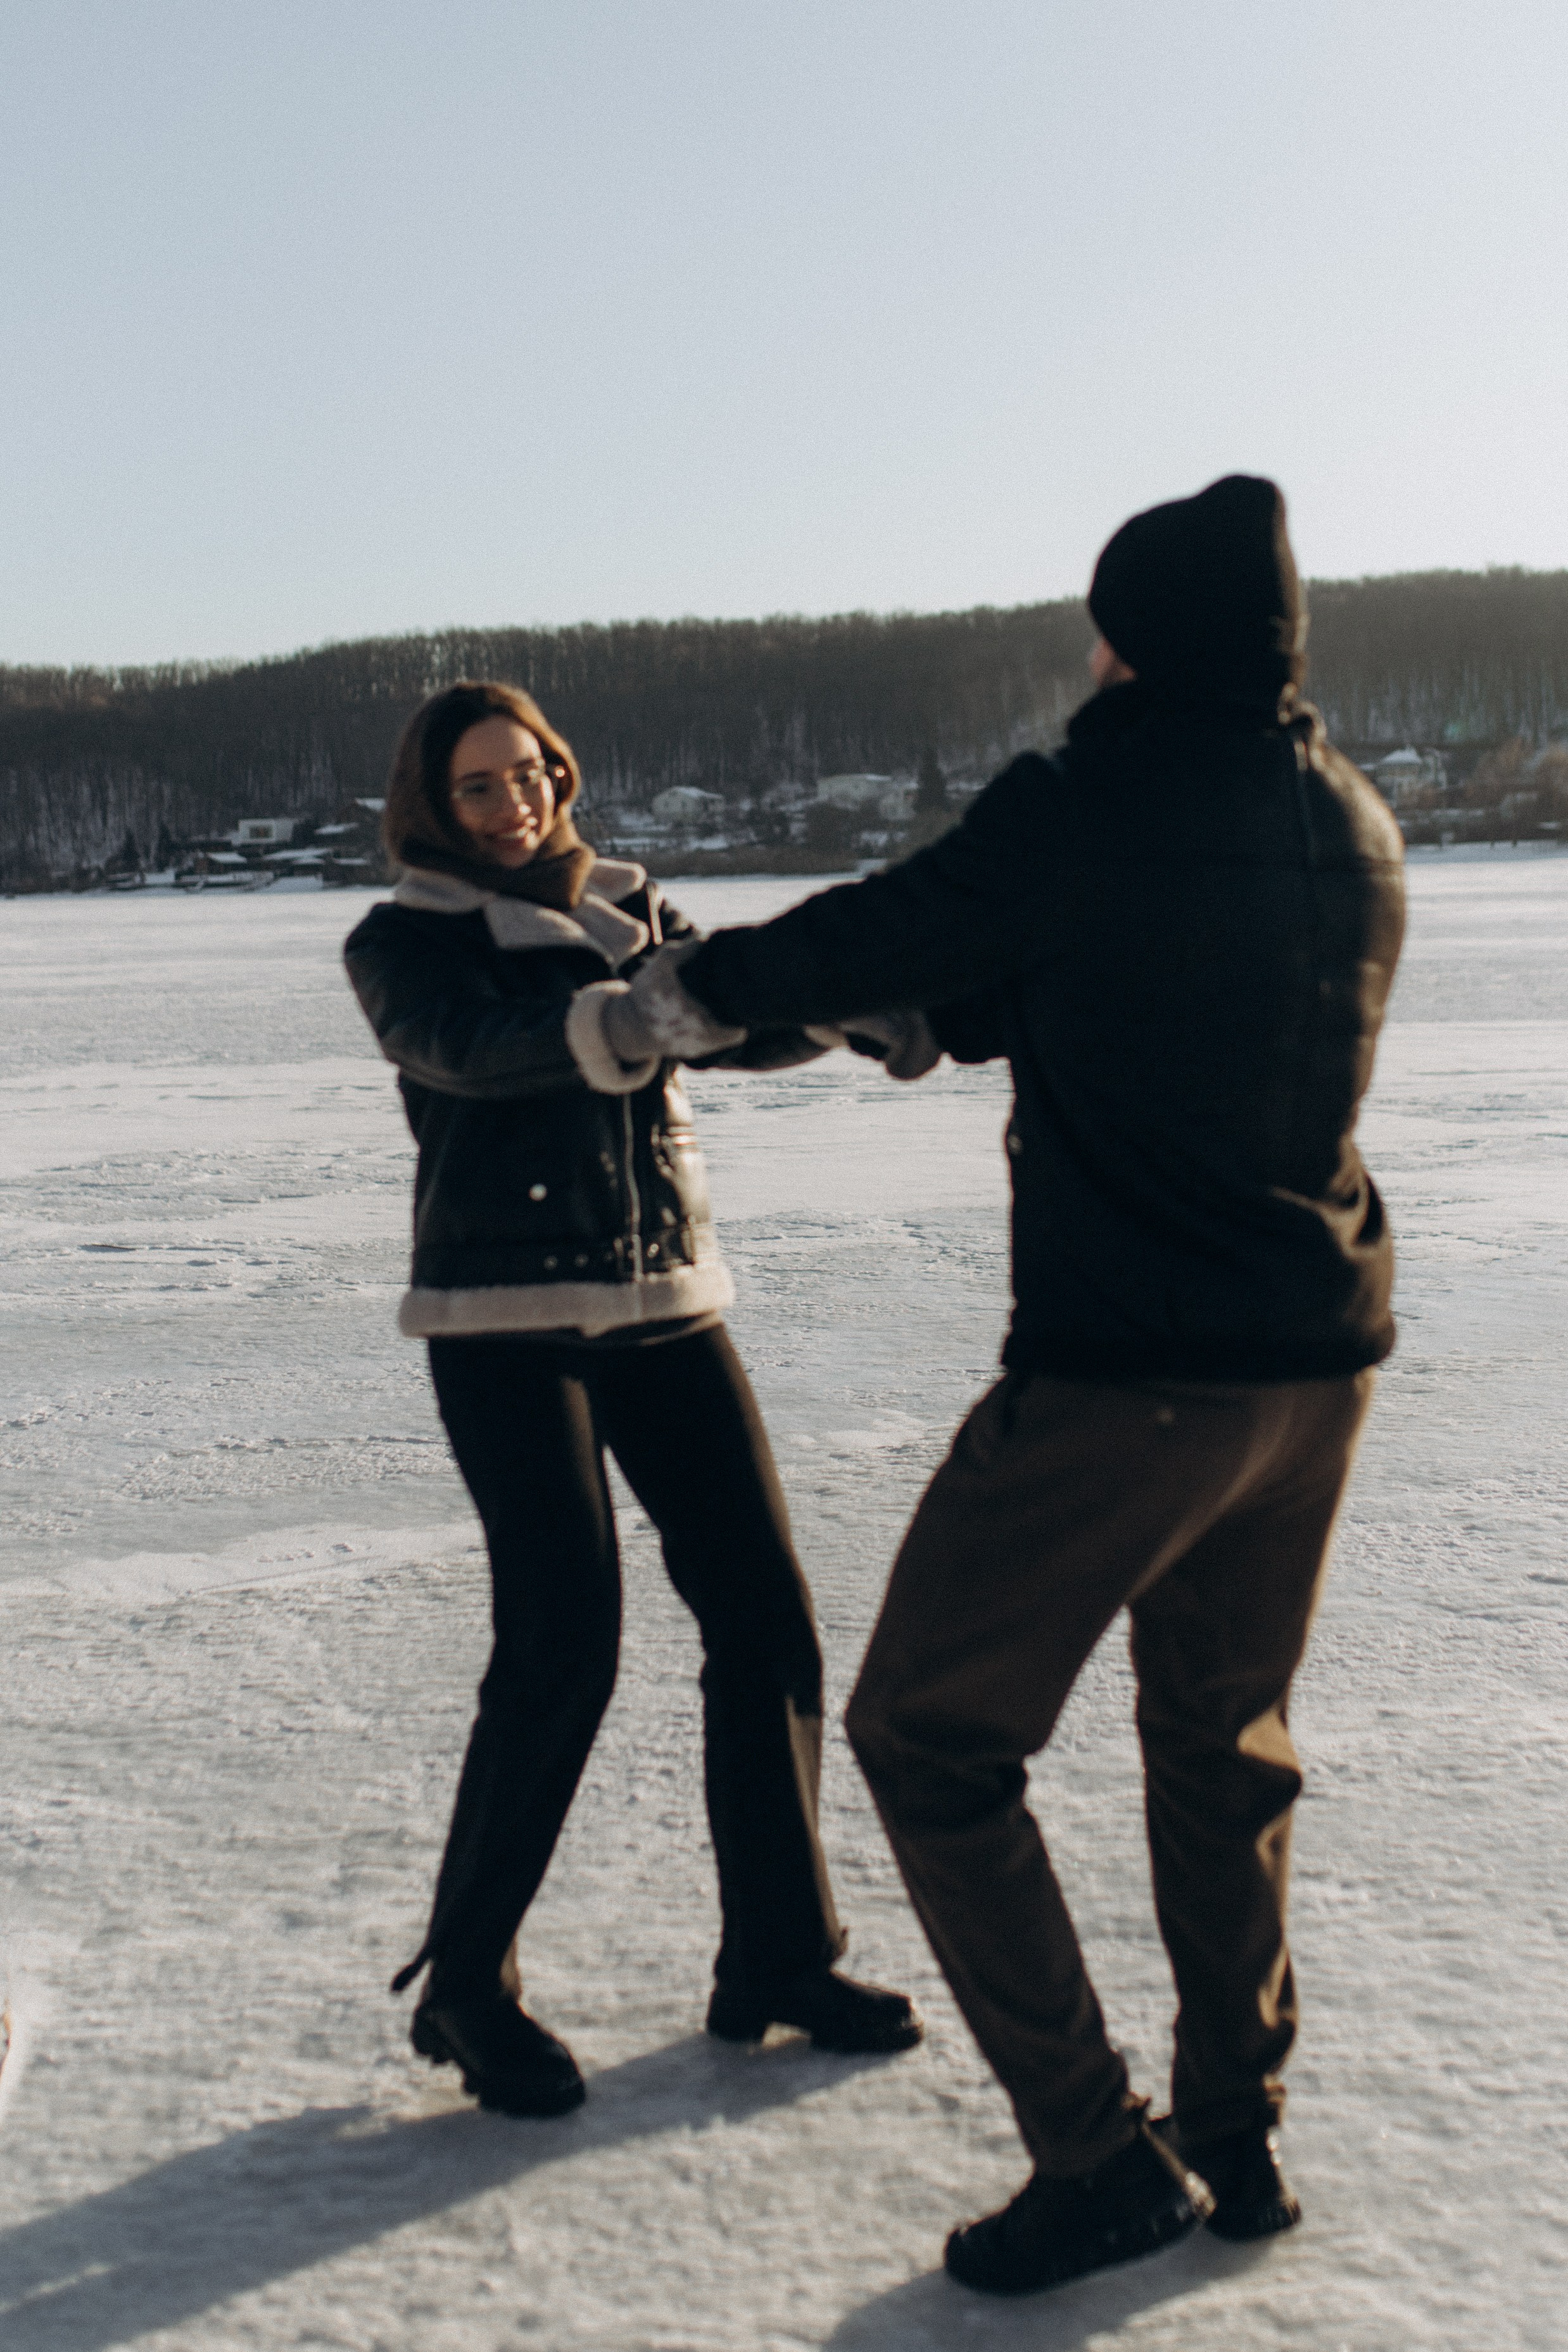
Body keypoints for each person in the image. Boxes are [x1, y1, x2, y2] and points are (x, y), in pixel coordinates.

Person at [606, 479, 1407, 2291]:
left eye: (1105, 629)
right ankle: (1234, 2132)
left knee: (927, 1733)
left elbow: (889, 928)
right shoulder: (1346, 812)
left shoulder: (1093, 797)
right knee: (1221, 1746)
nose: (1093, 659)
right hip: (1312, 1370)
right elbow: (1115, 985)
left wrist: (690, 995)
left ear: (1137, 639)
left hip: (1134, 1375)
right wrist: (926, 1015)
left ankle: (1096, 2153)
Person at [343, 680, 921, 2118]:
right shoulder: (402, 942)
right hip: (504, 1324)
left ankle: (778, 1956)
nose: (514, 802)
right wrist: (633, 1010)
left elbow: (717, 1020)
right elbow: (471, 1049)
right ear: (433, 806)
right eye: (478, 785)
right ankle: (467, 1988)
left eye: (529, 771)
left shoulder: (628, 909)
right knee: (562, 1647)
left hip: (665, 1308)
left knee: (766, 1624)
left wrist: (833, 1007)